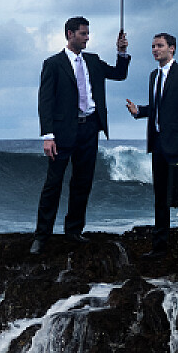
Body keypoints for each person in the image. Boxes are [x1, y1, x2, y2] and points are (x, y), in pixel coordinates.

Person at [32, 16, 129, 253]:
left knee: (82, 183)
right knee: (53, 184)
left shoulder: (93, 61)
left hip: (89, 128)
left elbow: (119, 74)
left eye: (88, 33)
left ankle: (73, 231)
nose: (87, 38)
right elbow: (45, 101)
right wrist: (48, 135)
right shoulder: (53, 64)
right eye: (83, 34)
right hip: (63, 131)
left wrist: (122, 53)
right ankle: (41, 236)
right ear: (69, 34)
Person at [125, 31, 178, 262]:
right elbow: (158, 108)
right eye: (153, 46)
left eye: (160, 46)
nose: (155, 50)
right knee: (161, 199)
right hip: (159, 146)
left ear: (172, 48)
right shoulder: (153, 76)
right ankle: (160, 246)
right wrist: (140, 111)